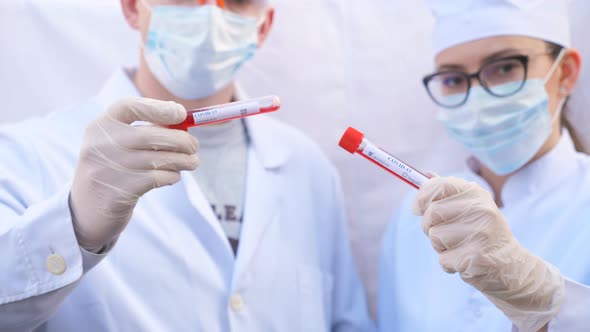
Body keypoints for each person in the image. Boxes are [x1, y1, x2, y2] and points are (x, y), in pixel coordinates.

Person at [0, 0, 373, 331]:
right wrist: (75, 228)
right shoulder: (27, 154)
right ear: (132, 7)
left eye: (239, 1)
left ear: (263, 25)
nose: (210, 15)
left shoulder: (309, 170)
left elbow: (347, 322)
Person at [378, 0, 590, 331]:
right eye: (453, 79)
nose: (478, 98)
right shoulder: (415, 216)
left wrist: (541, 302)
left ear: (565, 72)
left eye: (504, 67)